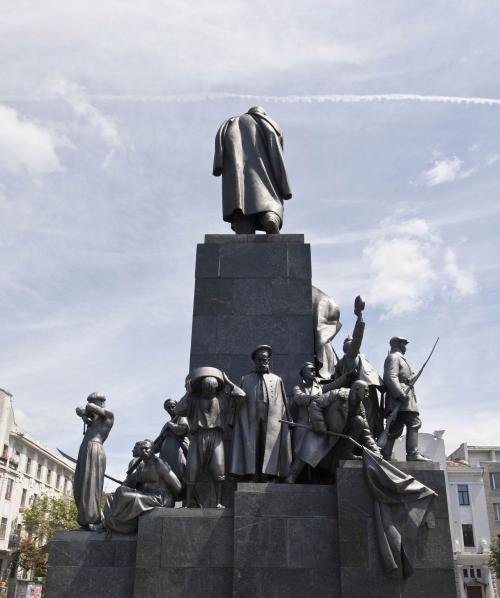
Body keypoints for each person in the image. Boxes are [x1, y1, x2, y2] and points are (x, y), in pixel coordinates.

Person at [213, 107, 292, 234]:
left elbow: (219, 148)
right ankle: (270, 216)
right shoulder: (268, 124)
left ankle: (243, 225)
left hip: (237, 179)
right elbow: (276, 155)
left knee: (241, 206)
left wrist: (218, 165)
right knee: (270, 198)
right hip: (264, 174)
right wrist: (285, 187)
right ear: (263, 114)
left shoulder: (231, 123)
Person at [175, 368, 244, 508]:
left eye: (212, 389)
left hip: (216, 437)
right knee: (192, 469)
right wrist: (187, 392)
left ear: (216, 389)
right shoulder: (194, 399)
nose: (209, 392)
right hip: (197, 436)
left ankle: (218, 502)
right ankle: (188, 502)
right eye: (207, 389)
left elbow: (241, 395)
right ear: (202, 389)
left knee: (219, 470)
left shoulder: (222, 398)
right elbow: (178, 410)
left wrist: (228, 381)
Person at [229, 345, 292, 481]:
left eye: (265, 360)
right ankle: (253, 474)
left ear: (268, 361)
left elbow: (284, 402)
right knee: (252, 446)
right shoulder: (245, 379)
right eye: (260, 360)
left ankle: (267, 475)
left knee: (269, 446)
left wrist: (288, 418)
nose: (263, 363)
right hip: (251, 417)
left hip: (272, 417)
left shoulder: (277, 379)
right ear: (255, 361)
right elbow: (237, 403)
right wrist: (234, 398)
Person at [286, 361, 355, 483]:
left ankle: (314, 480)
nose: (314, 372)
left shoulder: (320, 388)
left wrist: (346, 377)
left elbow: (334, 384)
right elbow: (299, 399)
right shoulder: (297, 388)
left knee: (313, 454)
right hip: (302, 425)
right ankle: (296, 478)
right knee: (299, 453)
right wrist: (315, 398)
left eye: (314, 370)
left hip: (316, 425)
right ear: (303, 373)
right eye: (310, 370)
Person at [103, 439, 181, 534]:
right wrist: (124, 486)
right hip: (146, 495)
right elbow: (131, 481)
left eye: (147, 449)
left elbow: (177, 486)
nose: (144, 451)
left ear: (152, 450)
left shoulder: (160, 465)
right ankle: (109, 522)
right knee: (117, 493)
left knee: (125, 496)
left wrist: (171, 500)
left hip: (161, 498)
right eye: (142, 449)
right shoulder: (142, 466)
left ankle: (111, 524)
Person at [333, 296, 384, 439]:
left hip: (367, 390)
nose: (350, 343)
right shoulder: (350, 356)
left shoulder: (357, 358)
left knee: (372, 419)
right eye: (347, 342)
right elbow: (357, 337)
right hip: (360, 393)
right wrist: (359, 316)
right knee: (367, 420)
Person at [382, 337, 431, 462]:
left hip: (404, 396)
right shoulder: (393, 357)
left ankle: (385, 455)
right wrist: (399, 394)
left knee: (395, 428)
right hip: (401, 397)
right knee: (414, 422)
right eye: (404, 344)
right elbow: (390, 376)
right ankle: (412, 454)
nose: (405, 347)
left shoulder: (401, 359)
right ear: (399, 344)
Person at [73, 392, 114, 529]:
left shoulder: (108, 415)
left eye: (93, 401)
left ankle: (92, 518)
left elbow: (88, 406)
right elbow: (85, 411)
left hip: (94, 449)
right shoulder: (94, 421)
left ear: (100, 402)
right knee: (80, 485)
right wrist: (83, 416)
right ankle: (84, 518)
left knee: (90, 485)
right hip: (85, 449)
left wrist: (85, 409)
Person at [152, 399, 189, 485]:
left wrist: (170, 425)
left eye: (173, 406)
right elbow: (157, 446)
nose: (170, 409)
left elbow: (183, 430)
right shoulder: (166, 424)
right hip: (165, 456)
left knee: (179, 474)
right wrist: (150, 447)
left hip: (178, 451)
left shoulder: (182, 417)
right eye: (168, 408)